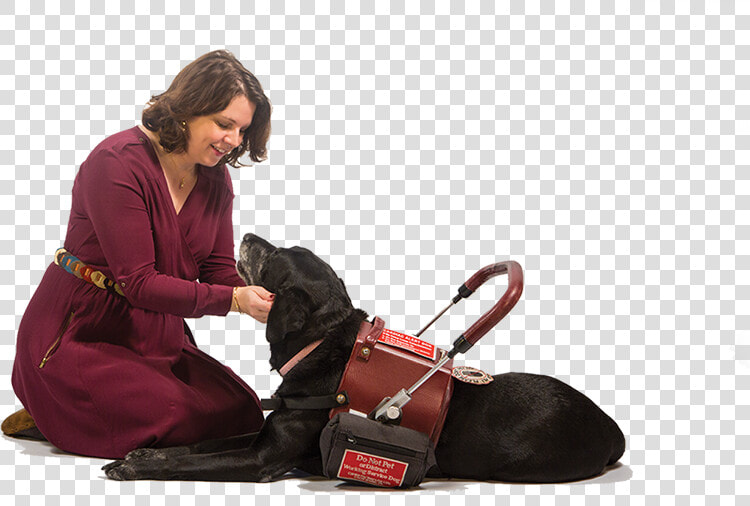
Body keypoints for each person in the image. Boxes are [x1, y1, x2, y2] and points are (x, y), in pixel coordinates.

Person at [5, 50, 274, 459]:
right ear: (189, 109)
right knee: (176, 413)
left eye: (242, 130)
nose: (234, 141)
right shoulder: (116, 164)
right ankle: (52, 408)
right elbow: (141, 284)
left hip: (153, 337)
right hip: (81, 332)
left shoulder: (216, 180)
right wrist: (235, 301)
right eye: (225, 124)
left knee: (244, 411)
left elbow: (217, 268)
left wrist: (267, 299)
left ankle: (76, 413)